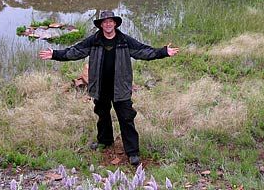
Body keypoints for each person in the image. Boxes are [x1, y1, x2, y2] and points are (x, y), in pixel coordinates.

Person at [38, 10, 179, 166]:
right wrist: (55, 54)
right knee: (102, 114)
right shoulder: (94, 40)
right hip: (100, 87)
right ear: (101, 25)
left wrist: (163, 52)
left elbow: (143, 51)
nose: (108, 24)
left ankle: (132, 152)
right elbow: (75, 52)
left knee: (126, 118)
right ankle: (105, 141)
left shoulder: (125, 40)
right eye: (105, 22)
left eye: (110, 21)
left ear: (115, 23)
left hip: (121, 88)